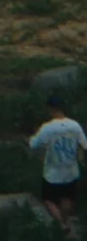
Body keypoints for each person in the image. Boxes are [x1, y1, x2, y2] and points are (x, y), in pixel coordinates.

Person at [29, 95, 87, 230]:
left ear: (50, 109)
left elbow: (34, 144)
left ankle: (61, 223)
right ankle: (64, 223)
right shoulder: (75, 125)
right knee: (67, 199)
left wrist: (32, 137)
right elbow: (84, 144)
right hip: (71, 170)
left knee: (48, 199)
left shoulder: (47, 128)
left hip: (52, 172)